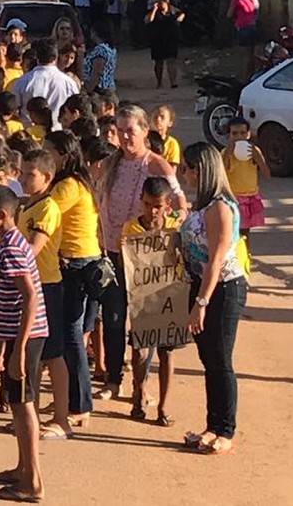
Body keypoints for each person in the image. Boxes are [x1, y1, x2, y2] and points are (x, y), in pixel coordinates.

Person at [97, 106, 187, 401]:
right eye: (120, 130)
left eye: (130, 131)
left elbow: (179, 201)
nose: (124, 137)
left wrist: (173, 219)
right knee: (112, 315)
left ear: (144, 132)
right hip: (112, 251)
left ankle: (141, 385)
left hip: (145, 258)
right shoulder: (111, 164)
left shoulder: (158, 165)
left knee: (144, 325)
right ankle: (113, 378)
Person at [0, 185, 47, 503]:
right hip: (20, 336)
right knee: (19, 405)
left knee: (23, 405)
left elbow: (29, 297)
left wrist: (17, 348)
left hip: (27, 337)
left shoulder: (11, 249)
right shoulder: (10, 242)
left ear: (0, 216)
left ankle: (32, 482)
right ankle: (23, 469)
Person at [180, 142, 248, 455]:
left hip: (222, 288)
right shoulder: (202, 205)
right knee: (209, 358)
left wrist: (201, 304)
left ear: (203, 170)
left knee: (221, 359)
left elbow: (217, 260)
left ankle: (226, 429)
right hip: (201, 283)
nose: (185, 173)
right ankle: (212, 425)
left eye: (190, 168)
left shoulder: (220, 206)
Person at [44, 130, 98, 427]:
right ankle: (74, 399)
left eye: (47, 151)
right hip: (77, 259)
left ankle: (79, 403)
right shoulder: (74, 182)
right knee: (69, 334)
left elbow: (44, 213)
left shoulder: (67, 186)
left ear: (62, 156)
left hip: (75, 262)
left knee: (71, 335)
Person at [17, 150, 70, 440]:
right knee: (32, 355)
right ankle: (31, 416)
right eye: (22, 172)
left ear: (47, 178)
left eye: (30, 174)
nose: (23, 178)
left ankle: (61, 418)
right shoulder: (27, 206)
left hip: (47, 285)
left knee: (52, 354)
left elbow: (32, 249)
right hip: (31, 286)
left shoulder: (48, 208)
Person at [121, 177, 180, 426]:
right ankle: (139, 392)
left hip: (170, 295)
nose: (152, 211)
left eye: (157, 206)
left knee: (166, 352)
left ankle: (164, 406)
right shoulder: (131, 229)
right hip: (142, 297)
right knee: (140, 350)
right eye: (147, 204)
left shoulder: (175, 228)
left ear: (167, 205)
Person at [223, 118, 271, 261]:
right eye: (234, 134)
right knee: (231, 231)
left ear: (248, 134)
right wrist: (228, 153)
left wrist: (258, 158)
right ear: (228, 136)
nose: (239, 137)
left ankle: (245, 257)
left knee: (245, 232)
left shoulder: (253, 151)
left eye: (242, 133)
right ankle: (230, 257)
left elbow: (267, 175)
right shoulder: (225, 152)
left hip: (249, 197)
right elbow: (221, 174)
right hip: (231, 198)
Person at [12, 39, 78, 129]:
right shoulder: (69, 83)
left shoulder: (23, 81)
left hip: (29, 135)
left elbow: (14, 110)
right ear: (56, 57)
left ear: (37, 58)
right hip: (58, 133)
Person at [145, 0, 185, 89]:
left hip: (171, 39)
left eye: (161, 2)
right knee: (159, 63)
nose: (159, 5)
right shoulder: (154, 12)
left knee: (171, 61)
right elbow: (148, 20)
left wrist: (179, 19)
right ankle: (159, 82)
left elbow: (181, 16)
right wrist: (154, 10)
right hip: (157, 39)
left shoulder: (174, 11)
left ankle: (173, 82)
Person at [83, 22, 117, 94]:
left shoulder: (100, 49)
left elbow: (97, 71)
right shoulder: (111, 48)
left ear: (95, 33)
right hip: (109, 85)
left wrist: (89, 89)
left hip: (99, 88)